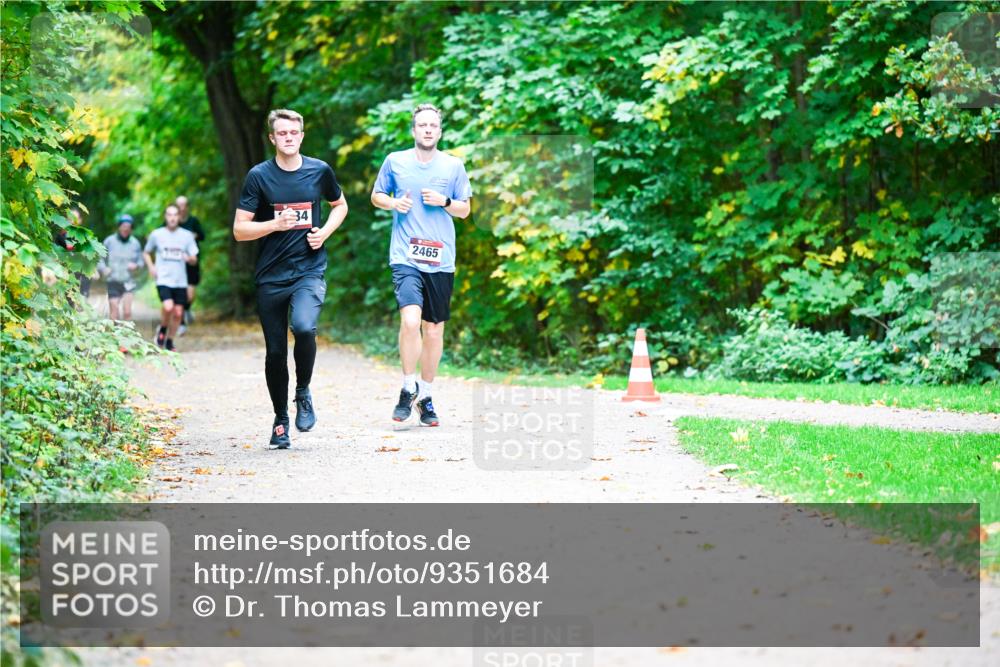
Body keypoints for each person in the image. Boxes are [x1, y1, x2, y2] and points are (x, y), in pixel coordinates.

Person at [233, 108, 348, 449]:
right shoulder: (259, 176)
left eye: (293, 132)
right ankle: (281, 419)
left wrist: (324, 232)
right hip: (271, 275)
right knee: (275, 353)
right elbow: (239, 230)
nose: (288, 137)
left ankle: (303, 391)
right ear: (272, 138)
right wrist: (274, 224)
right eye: (282, 133)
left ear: (301, 135)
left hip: (309, 269)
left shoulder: (319, 170)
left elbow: (340, 205)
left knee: (304, 327)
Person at [370, 103, 472, 427]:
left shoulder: (453, 166)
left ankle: (425, 397)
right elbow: (376, 195)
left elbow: (465, 210)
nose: (428, 130)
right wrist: (393, 202)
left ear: (439, 132)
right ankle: (407, 386)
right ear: (414, 130)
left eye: (433, 125)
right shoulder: (395, 161)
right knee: (411, 320)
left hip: (441, 259)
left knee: (434, 329)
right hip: (406, 256)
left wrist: (445, 201)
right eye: (422, 125)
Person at [143, 204, 198, 351]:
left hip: (180, 280)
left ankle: (169, 341)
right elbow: (146, 252)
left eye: (175, 215)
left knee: (178, 313)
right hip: (163, 279)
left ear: (179, 217)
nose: (172, 218)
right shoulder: (157, 234)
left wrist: (189, 258)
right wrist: (151, 267)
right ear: (165, 217)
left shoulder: (187, 235)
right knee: (168, 307)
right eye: (169, 215)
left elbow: (194, 258)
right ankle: (162, 328)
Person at [97, 213, 143, 322]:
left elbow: (141, 262)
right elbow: (99, 258)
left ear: (131, 229)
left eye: (128, 227)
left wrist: (136, 266)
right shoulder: (109, 241)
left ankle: (127, 333)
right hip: (113, 280)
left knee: (127, 313)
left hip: (129, 281)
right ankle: (115, 333)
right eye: (123, 226)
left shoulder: (135, 243)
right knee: (114, 313)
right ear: (119, 227)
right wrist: (103, 269)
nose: (126, 229)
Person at [176, 195, 205, 332]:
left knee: (190, 295)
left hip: (192, 262)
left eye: (184, 205)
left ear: (187, 207)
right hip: (177, 263)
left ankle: (187, 309)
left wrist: (194, 235)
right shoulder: (172, 221)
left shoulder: (193, 221)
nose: (182, 208)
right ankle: (181, 322)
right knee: (179, 293)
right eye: (179, 205)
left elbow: (203, 236)